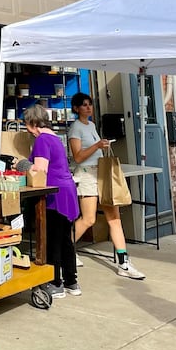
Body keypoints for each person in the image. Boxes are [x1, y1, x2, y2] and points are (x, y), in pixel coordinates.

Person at [68, 91, 145, 280]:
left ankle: (123, 262)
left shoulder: (92, 125)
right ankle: (65, 249)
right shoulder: (75, 128)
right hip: (86, 175)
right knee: (88, 219)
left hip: (101, 173)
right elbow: (77, 157)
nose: (88, 107)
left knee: (114, 218)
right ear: (77, 108)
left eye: (90, 104)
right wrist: (97, 146)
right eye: (84, 105)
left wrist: (100, 146)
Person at [24, 104, 80, 299]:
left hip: (54, 193)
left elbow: (40, 169)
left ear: (32, 123)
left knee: (52, 239)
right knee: (65, 239)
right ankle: (71, 281)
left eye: (27, 125)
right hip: (68, 191)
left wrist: (21, 165)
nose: (27, 130)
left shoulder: (41, 140)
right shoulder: (56, 138)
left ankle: (55, 282)